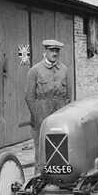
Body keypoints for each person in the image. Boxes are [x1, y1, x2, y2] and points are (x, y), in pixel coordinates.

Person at [24, 39, 71, 175]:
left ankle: (60, 173)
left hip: (60, 108)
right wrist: (36, 112)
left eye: (57, 51)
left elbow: (68, 94)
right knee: (41, 142)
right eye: (52, 51)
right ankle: (39, 174)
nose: (54, 54)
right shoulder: (35, 70)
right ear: (45, 51)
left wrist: (64, 109)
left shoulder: (64, 70)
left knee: (61, 140)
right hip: (42, 109)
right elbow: (29, 96)